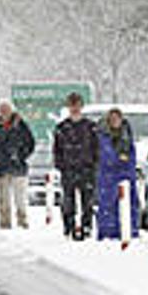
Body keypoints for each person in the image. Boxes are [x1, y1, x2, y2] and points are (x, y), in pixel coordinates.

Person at [52, 93, 99, 240]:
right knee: (68, 201)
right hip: (68, 168)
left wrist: (94, 163)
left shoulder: (90, 127)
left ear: (81, 106)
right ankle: (69, 226)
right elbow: (57, 149)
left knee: (88, 201)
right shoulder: (62, 127)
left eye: (77, 105)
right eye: (72, 106)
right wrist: (60, 164)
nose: (75, 109)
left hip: (86, 167)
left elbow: (96, 147)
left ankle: (86, 227)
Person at [0, 100, 34, 229]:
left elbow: (30, 143)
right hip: (2, 168)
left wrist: (21, 156)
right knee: (3, 198)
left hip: (19, 167)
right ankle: (5, 222)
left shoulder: (21, 126)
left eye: (6, 109)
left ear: (11, 110)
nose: (4, 112)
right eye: (2, 110)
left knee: (20, 198)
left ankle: (22, 221)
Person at [96, 108, 139, 241]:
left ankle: (130, 230)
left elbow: (132, 155)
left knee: (130, 204)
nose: (115, 122)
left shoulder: (126, 135)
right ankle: (108, 232)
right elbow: (101, 155)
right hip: (107, 176)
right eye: (112, 119)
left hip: (126, 175)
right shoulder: (102, 136)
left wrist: (126, 166)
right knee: (108, 205)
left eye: (117, 118)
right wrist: (114, 161)